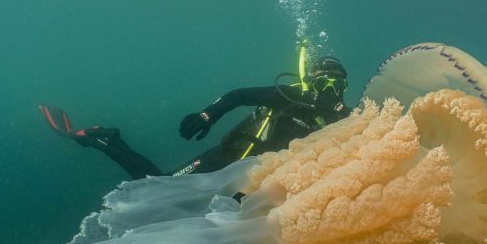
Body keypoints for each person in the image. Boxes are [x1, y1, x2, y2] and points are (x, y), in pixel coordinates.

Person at [40, 56, 351, 179]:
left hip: (260, 184)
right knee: (160, 187)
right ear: (312, 80)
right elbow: (239, 95)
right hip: (230, 157)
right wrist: (207, 115)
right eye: (323, 81)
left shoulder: (346, 119)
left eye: (337, 84)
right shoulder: (293, 95)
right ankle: (108, 140)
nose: (329, 89)